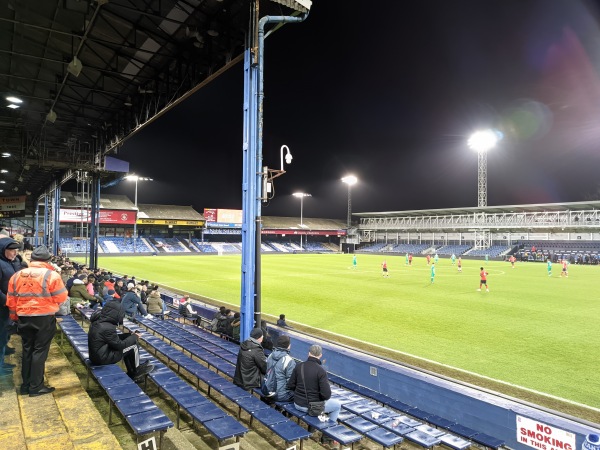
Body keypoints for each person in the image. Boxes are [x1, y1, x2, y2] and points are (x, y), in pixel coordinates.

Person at [7, 246, 68, 396]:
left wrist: (15, 317)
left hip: (23, 317)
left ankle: (26, 386)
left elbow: (11, 300)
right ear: (47, 260)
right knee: (39, 352)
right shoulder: (51, 275)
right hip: (44, 318)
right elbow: (61, 297)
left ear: (32, 259)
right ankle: (36, 387)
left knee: (27, 350)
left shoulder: (17, 275)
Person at [88, 301, 154, 381]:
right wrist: (134, 336)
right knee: (132, 346)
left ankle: (132, 371)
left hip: (97, 355)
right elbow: (120, 345)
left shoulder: (99, 321)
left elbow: (109, 339)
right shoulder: (107, 327)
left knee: (128, 338)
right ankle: (136, 371)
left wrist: (129, 336)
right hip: (102, 359)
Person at [287, 344, 341, 424]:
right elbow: (326, 395)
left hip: (297, 403)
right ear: (320, 355)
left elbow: (290, 385)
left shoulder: (299, 366)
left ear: (309, 353)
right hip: (311, 407)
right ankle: (328, 433)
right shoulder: (321, 371)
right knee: (337, 405)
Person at [0, 236, 23, 370]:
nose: (15, 252)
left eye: (16, 250)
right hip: (3, 306)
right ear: (3, 250)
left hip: (10, 306)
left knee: (5, 332)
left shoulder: (14, 262)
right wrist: (8, 301)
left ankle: (3, 353)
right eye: (11, 250)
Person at [263, 335, 296, 402]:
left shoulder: (271, 355)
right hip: (279, 395)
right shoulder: (289, 360)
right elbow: (290, 382)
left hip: (266, 390)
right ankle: (282, 411)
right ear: (289, 346)